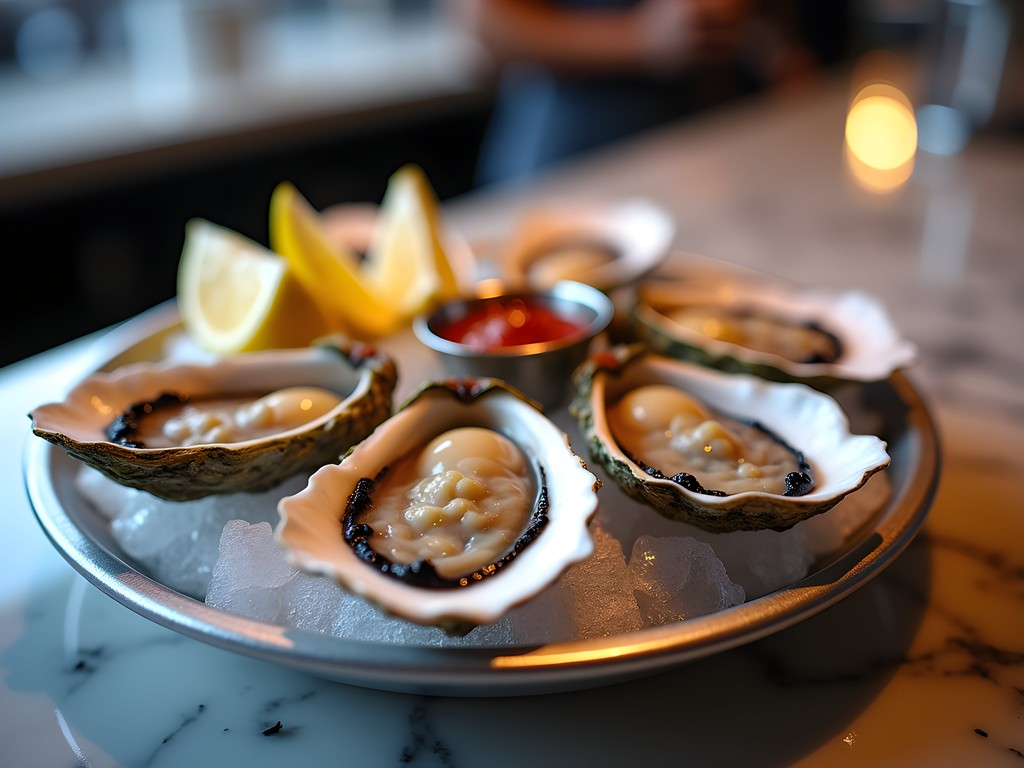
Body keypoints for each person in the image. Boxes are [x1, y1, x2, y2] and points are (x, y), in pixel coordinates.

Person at [453, 0, 824, 185]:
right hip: (572, 167)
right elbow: (482, 24)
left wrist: (768, 48)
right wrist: (642, 39)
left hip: (703, 158)